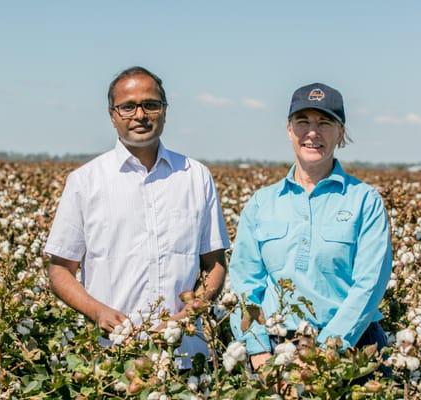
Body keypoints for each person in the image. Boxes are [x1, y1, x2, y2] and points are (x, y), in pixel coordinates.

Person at [44, 66, 230, 369]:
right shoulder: (85, 182)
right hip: (112, 361)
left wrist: (192, 310)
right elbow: (60, 269)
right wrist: (98, 312)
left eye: (150, 105)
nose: (140, 115)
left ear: (164, 111)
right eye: (128, 107)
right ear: (112, 114)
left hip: (186, 357)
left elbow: (216, 264)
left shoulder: (196, 177)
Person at [229, 83, 392, 376]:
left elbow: (369, 285)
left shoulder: (365, 200)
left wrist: (330, 349)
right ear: (289, 129)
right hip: (275, 349)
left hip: (351, 349)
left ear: (340, 133)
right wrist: (258, 352)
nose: (312, 132)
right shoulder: (262, 203)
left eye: (324, 123)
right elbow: (244, 284)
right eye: (303, 122)